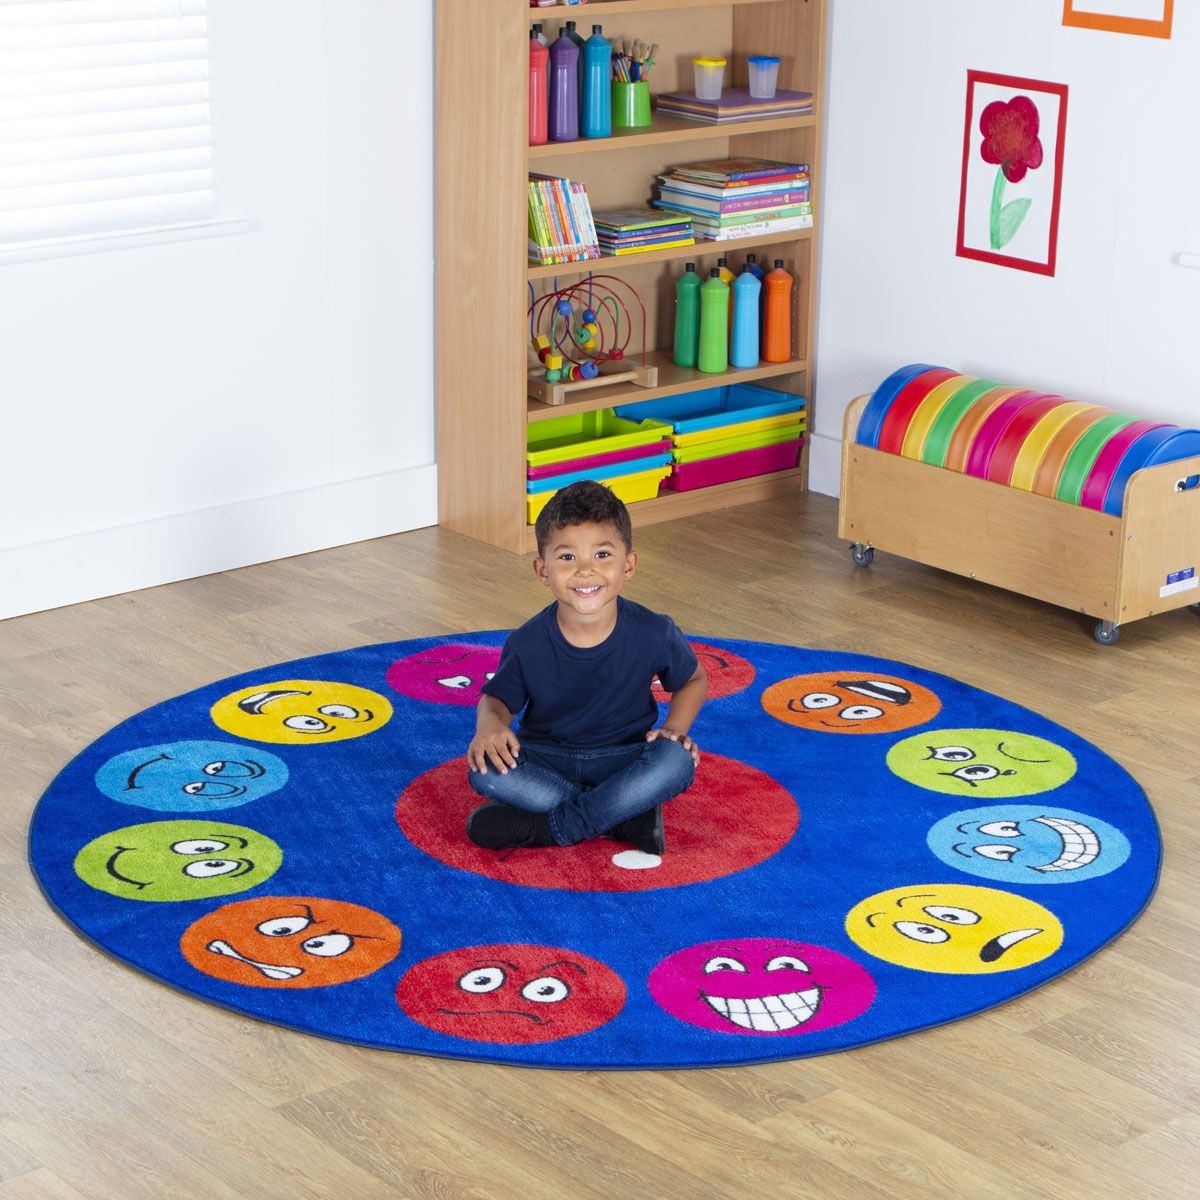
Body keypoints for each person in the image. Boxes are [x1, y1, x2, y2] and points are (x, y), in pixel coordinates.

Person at [465, 479, 707, 855]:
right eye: (566, 558)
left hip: (624, 758)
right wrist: (490, 727)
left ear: (628, 565)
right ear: (542, 570)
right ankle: (623, 818)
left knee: (676, 760)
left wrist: (674, 729)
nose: (585, 571)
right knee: (486, 769)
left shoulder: (653, 630)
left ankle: (550, 828)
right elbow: (496, 699)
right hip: (548, 759)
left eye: (602, 554)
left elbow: (693, 679)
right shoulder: (527, 642)